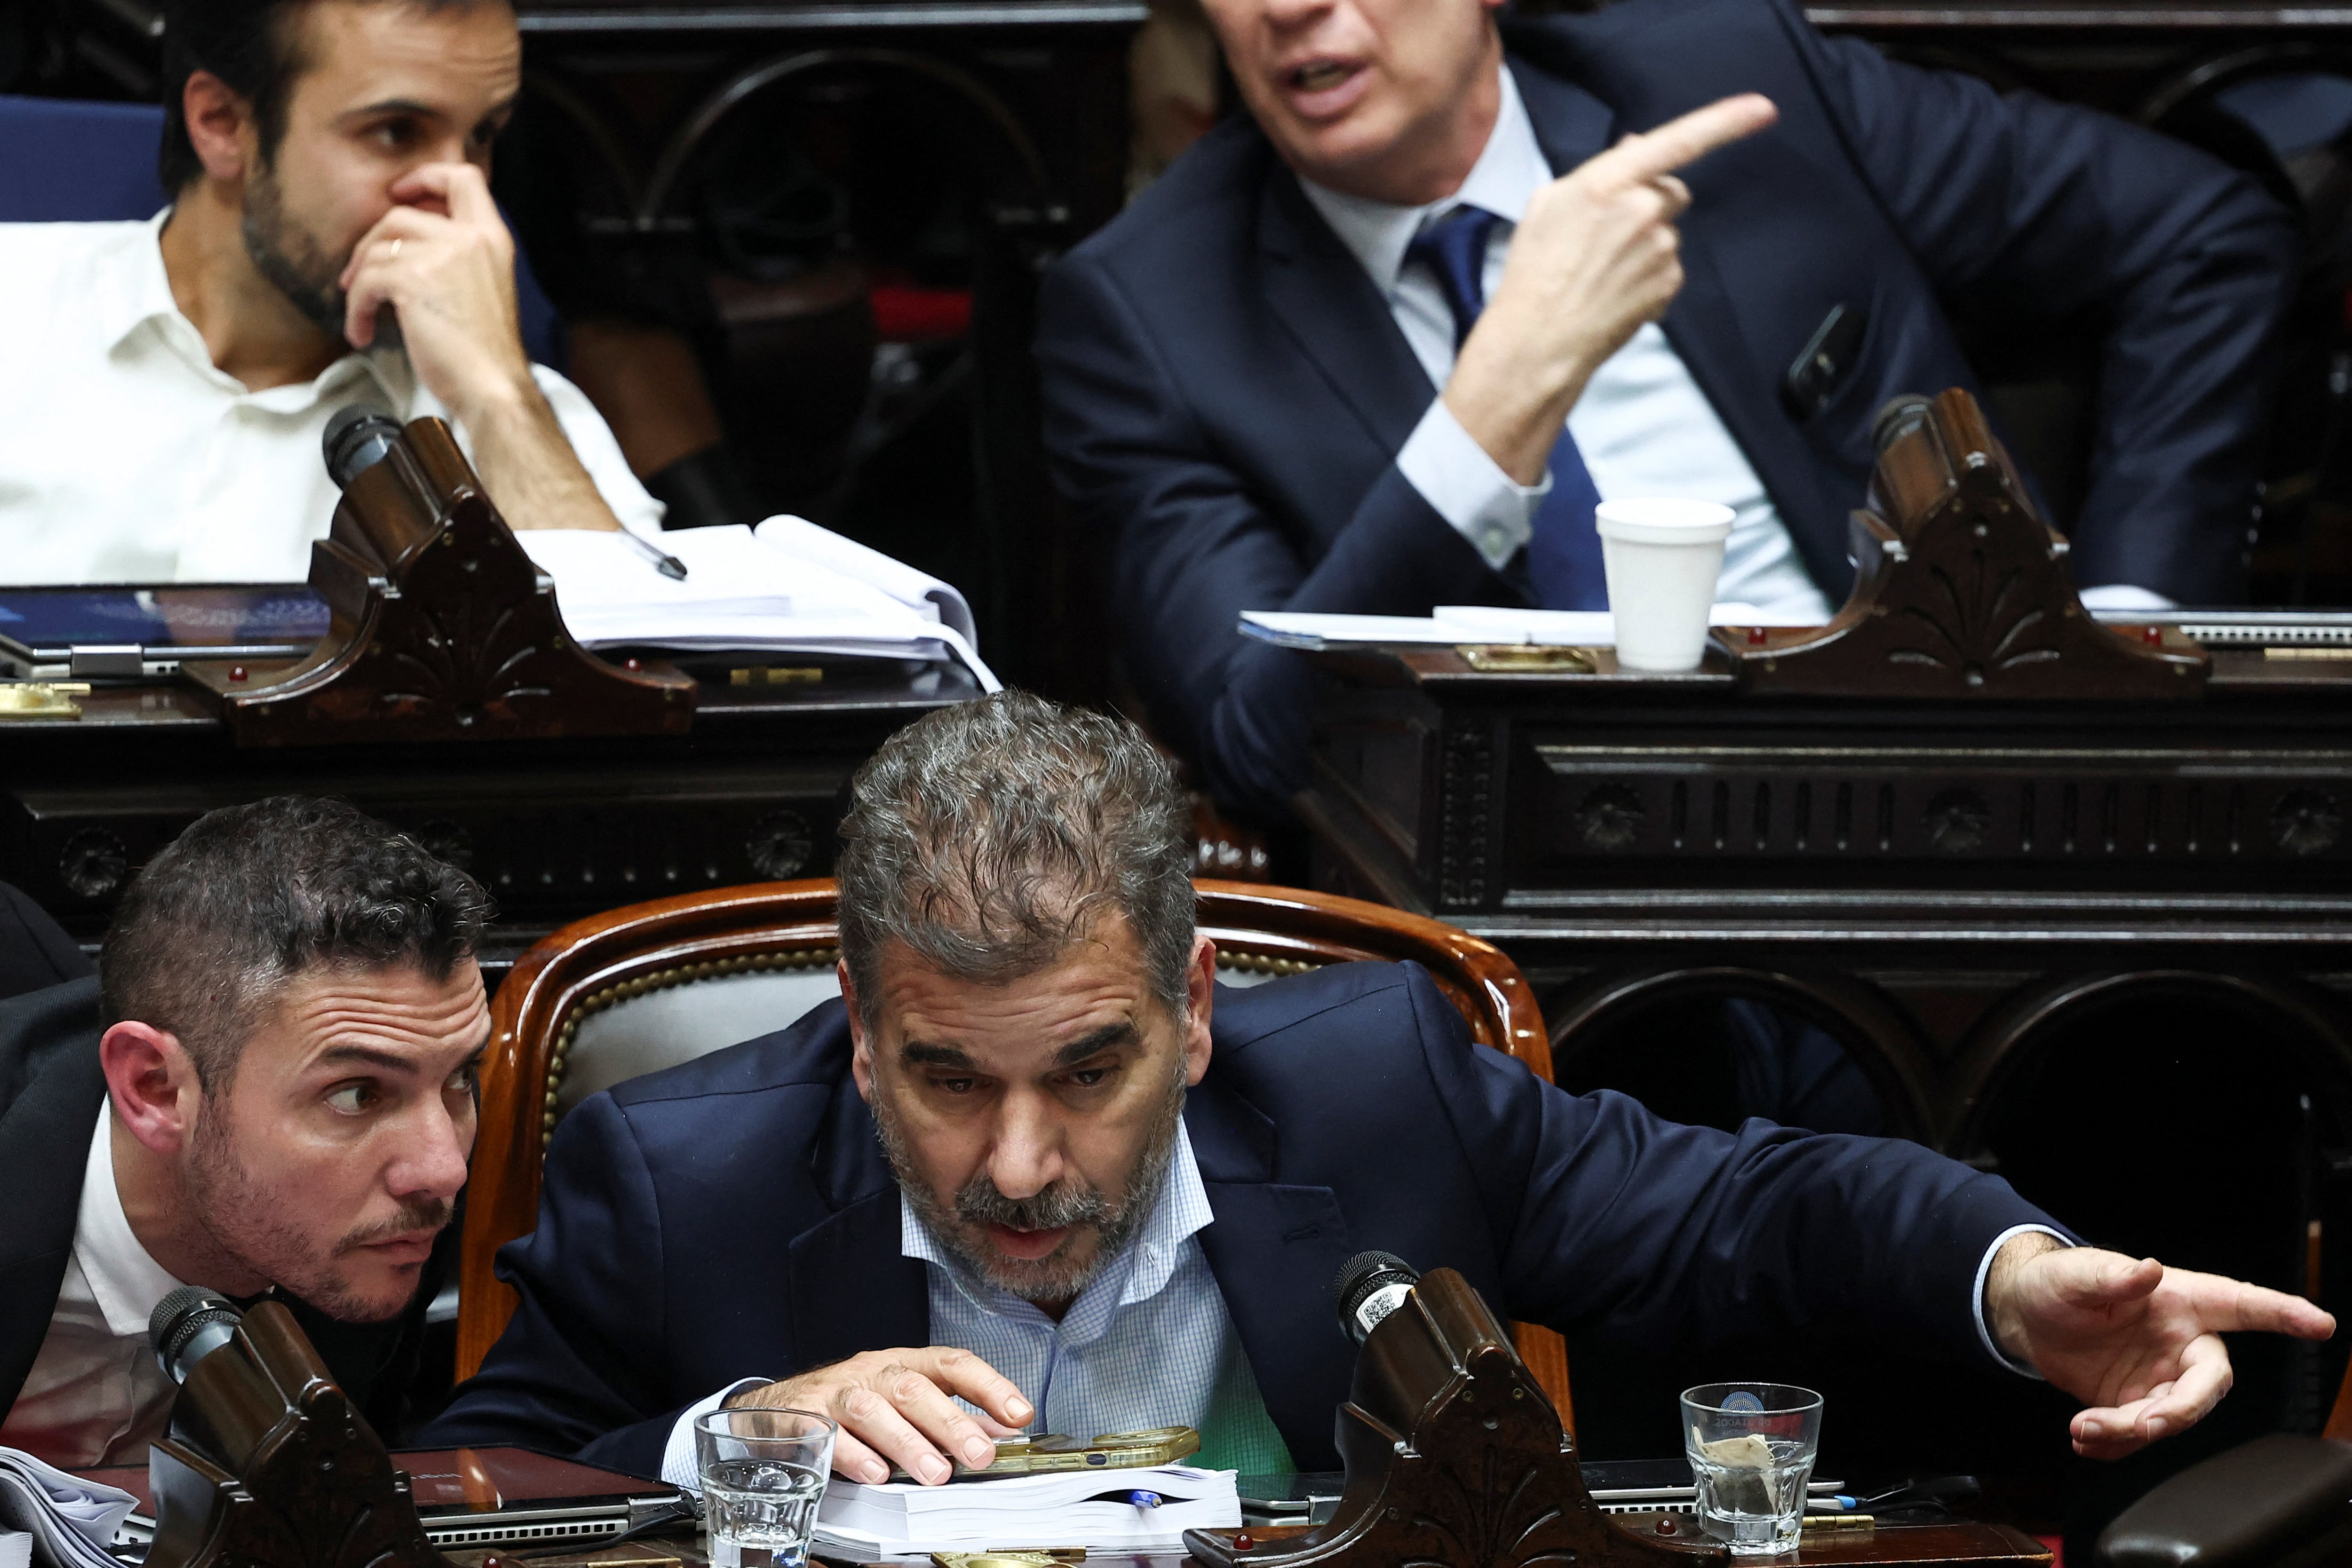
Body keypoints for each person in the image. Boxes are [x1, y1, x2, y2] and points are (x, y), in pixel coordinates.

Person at [425, 692, 2331, 1487]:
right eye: (942, 1076)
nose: (1018, 1160)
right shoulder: (679, 1171)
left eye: (1089, 1067)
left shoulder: (1373, 1086)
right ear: (855, 1026)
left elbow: (1748, 1207)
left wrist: (2015, 1275)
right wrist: (736, 1430)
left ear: (1190, 1007)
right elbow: (471, 1491)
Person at [1032, 0, 2297, 820]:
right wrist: (1491, 410)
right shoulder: (1148, 312)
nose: (1291, 8)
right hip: (1565, 916)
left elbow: (2206, 236)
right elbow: (1260, 747)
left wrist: (2126, 629)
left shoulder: (1740, 82)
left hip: (1955, 791)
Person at [0, 0, 660, 585]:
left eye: (482, 136)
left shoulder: (510, 405)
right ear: (221, 123)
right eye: (396, 131)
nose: (461, 197)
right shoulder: (17, 302)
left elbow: (631, 660)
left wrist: (497, 396)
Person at [0, 796, 490, 1465]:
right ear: (155, 1088)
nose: (444, 1169)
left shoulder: (412, 1167)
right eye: (357, 1094)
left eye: (461, 1075)